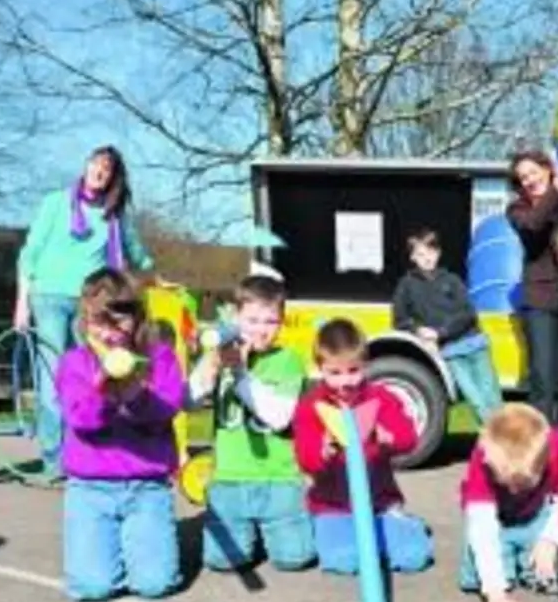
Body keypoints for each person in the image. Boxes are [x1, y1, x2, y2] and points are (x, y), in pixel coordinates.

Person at [16, 146, 156, 478]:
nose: (98, 171)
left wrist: (157, 276)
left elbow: (137, 254)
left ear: (112, 178)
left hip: (92, 304)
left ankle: (87, 447)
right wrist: (22, 302)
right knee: (52, 377)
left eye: (106, 169)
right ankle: (54, 459)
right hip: (48, 296)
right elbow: (30, 252)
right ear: (85, 166)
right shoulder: (55, 203)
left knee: (92, 375)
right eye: (95, 164)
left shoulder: (114, 216)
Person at [53, 269, 187, 600]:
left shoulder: (161, 358)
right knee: (92, 587)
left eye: (120, 322)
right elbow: (80, 420)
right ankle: (108, 550)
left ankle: (142, 548)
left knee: (155, 585)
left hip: (146, 488)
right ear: (85, 321)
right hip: (90, 489)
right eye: (100, 323)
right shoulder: (74, 363)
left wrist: (137, 396)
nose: (111, 333)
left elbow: (167, 409)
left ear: (137, 318)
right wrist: (104, 393)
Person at [188, 274, 315, 573]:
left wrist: (241, 374)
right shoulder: (219, 354)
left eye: (270, 322)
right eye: (252, 320)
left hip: (278, 478)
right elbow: (188, 401)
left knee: (294, 559)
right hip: (230, 477)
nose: (260, 330)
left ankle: (294, 522)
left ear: (281, 323)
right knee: (225, 561)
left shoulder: (287, 360)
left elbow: (277, 416)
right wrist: (210, 366)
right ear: (235, 317)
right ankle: (246, 532)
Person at [292, 318, 434, 576]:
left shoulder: (380, 398)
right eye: (334, 373)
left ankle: (405, 527)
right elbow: (304, 458)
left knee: (414, 557)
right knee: (344, 561)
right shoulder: (311, 406)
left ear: (365, 365)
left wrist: (388, 437)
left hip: (380, 505)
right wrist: (322, 450)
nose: (345, 381)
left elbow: (409, 438)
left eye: (353, 370)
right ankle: (349, 540)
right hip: (333, 507)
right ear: (320, 368)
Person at [457, 402, 558, 602]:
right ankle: (510, 566)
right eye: (505, 482)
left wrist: (550, 540)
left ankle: (529, 563)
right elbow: (482, 527)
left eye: (522, 484)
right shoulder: (483, 456)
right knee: (476, 577)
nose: (513, 490)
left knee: (551, 574)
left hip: (538, 516)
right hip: (497, 522)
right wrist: (496, 593)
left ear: (544, 462)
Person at [391, 227, 502, 426]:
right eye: (421, 254)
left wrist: (441, 332)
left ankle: (502, 442)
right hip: (450, 353)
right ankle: (496, 442)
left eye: (431, 252)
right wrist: (418, 330)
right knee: (476, 402)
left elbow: (468, 314)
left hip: (475, 345)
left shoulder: (452, 280)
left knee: (493, 399)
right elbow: (400, 319)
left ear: (438, 253)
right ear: (412, 257)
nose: (427, 258)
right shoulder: (406, 286)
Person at [504, 150, 558, 434]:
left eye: (533, 172)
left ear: (548, 169)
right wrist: (556, 190)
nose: (529, 180)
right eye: (523, 177)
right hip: (540, 301)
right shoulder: (517, 210)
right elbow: (534, 225)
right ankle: (539, 446)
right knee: (543, 378)